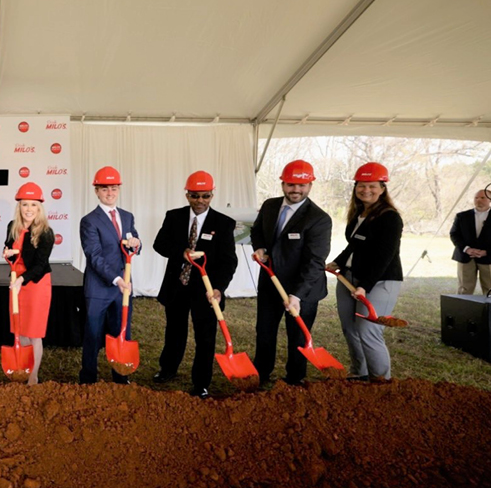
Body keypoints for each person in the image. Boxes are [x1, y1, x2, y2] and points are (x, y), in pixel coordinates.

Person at [153, 171, 237, 398]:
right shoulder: (174, 216)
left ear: (212, 195)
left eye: (205, 196)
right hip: (178, 285)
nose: (200, 200)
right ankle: (168, 369)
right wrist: (181, 253)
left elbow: (229, 261)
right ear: (187, 195)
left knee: (205, 337)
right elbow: (159, 244)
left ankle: (201, 383)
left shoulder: (224, 223)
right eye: (195, 195)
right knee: (174, 330)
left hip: (206, 290)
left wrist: (219, 288)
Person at [251, 160, 332, 385]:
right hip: (271, 282)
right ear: (283, 184)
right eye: (290, 184)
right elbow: (257, 231)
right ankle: (261, 374)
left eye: (302, 185)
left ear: (310, 186)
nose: (296, 189)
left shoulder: (318, 219)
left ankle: (295, 380)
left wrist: (297, 295)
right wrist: (260, 247)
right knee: (265, 331)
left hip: (303, 288)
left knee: (297, 337)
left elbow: (315, 262)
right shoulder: (270, 206)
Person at [327, 162, 403, 381]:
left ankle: (381, 381)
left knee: (368, 330)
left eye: (372, 186)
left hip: (379, 281)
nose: (366, 190)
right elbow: (354, 245)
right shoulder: (359, 213)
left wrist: (364, 286)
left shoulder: (390, 217)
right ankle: (359, 373)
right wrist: (337, 262)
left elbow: (385, 256)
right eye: (361, 185)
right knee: (350, 328)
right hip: (349, 277)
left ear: (382, 189)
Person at [79, 166, 141, 384]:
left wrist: (136, 243)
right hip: (99, 287)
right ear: (96, 191)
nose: (110, 193)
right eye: (104, 189)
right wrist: (116, 279)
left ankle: (121, 377)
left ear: (119, 190)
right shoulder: (89, 220)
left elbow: (134, 244)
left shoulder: (127, 216)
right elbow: (94, 256)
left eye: (114, 188)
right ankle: (88, 379)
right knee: (93, 334)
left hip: (123, 287)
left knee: (121, 331)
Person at [4, 182, 54, 385]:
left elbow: (40, 266)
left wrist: (21, 280)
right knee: (20, 328)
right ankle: (22, 368)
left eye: (33, 205)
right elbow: (9, 247)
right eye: (25, 204)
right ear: (19, 206)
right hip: (16, 283)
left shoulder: (46, 233)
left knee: (34, 332)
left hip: (35, 285)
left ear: (39, 208)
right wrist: (7, 252)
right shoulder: (12, 227)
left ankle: (33, 375)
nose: (29, 209)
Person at [450, 189, 491, 295]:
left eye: (482, 198)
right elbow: (454, 234)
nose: (478, 200)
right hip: (466, 257)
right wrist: (467, 249)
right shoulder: (462, 216)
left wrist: (487, 252)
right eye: (476, 198)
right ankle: (463, 307)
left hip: (490, 257)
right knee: (464, 290)